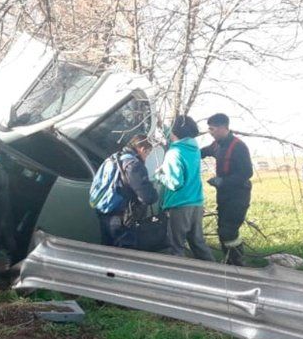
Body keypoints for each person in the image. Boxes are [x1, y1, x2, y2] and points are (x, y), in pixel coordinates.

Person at [154, 115, 215, 261]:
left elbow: (175, 183)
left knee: (176, 246)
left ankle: (178, 272)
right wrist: (161, 124)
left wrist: (159, 175)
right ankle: (216, 270)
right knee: (198, 243)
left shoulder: (174, 153)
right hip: (196, 202)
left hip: (180, 204)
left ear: (175, 132)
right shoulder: (193, 149)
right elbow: (173, 136)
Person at [201, 113, 253, 266]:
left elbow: (247, 173)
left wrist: (223, 181)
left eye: (212, 129)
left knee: (228, 231)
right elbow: (203, 152)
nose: (210, 132)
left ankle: (238, 263)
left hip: (238, 196)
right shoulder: (217, 145)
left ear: (223, 128)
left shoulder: (238, 146)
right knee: (223, 229)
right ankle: (230, 261)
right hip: (224, 196)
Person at [91, 135, 160, 250]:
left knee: (107, 251)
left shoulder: (113, 159)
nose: (146, 158)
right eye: (147, 154)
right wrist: (154, 193)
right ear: (142, 149)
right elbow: (147, 197)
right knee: (125, 254)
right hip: (122, 218)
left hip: (105, 212)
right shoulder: (133, 165)